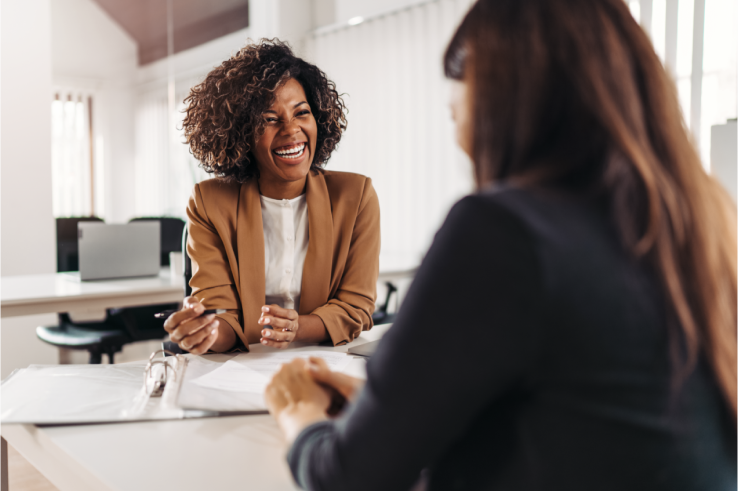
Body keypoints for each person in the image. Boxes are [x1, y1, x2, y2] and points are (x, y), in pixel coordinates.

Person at [264, 0, 738, 489]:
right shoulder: (702, 223)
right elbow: (587, 423)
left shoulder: (504, 232)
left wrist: (299, 414)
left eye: (455, 115)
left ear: (499, 109)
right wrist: (387, 407)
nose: (461, 142)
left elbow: (347, 479)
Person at [163, 40, 380, 354]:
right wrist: (204, 331)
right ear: (241, 132)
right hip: (242, 368)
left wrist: (297, 327)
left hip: (325, 361)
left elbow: (355, 307)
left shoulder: (356, 196)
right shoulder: (210, 202)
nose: (291, 130)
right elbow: (222, 316)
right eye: (269, 119)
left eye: (301, 112)